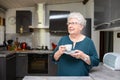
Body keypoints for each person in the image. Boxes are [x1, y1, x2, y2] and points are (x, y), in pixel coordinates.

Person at [52, 12, 99, 76]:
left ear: (81, 27)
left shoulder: (88, 42)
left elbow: (95, 62)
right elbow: (54, 58)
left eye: (73, 23)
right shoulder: (63, 40)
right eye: (69, 23)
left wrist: (82, 56)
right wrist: (59, 52)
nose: (70, 26)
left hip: (81, 78)